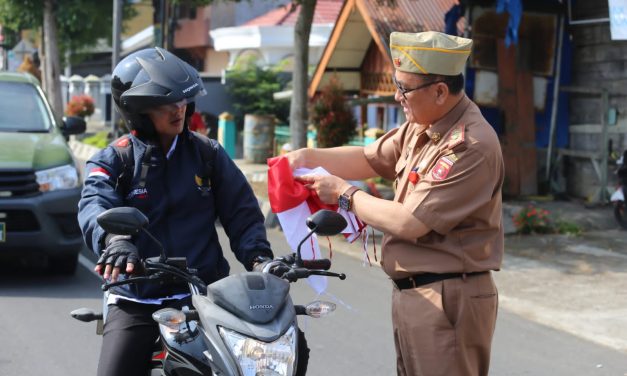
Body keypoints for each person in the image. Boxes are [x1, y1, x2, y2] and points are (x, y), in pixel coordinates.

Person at [286, 31, 504, 376]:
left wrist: (345, 194)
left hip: (447, 298)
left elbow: (408, 222)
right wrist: (306, 157)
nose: (396, 95)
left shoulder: (468, 144)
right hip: (417, 294)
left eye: (404, 88)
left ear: (440, 91)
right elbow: (368, 158)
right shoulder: (424, 126)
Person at [77, 47, 273, 376]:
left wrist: (260, 260)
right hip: (137, 298)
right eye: (165, 102)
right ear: (138, 110)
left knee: (252, 365)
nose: (179, 109)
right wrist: (115, 239)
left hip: (205, 297)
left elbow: (242, 212)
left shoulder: (208, 154)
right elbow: (95, 203)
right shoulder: (115, 160)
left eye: (183, 100)